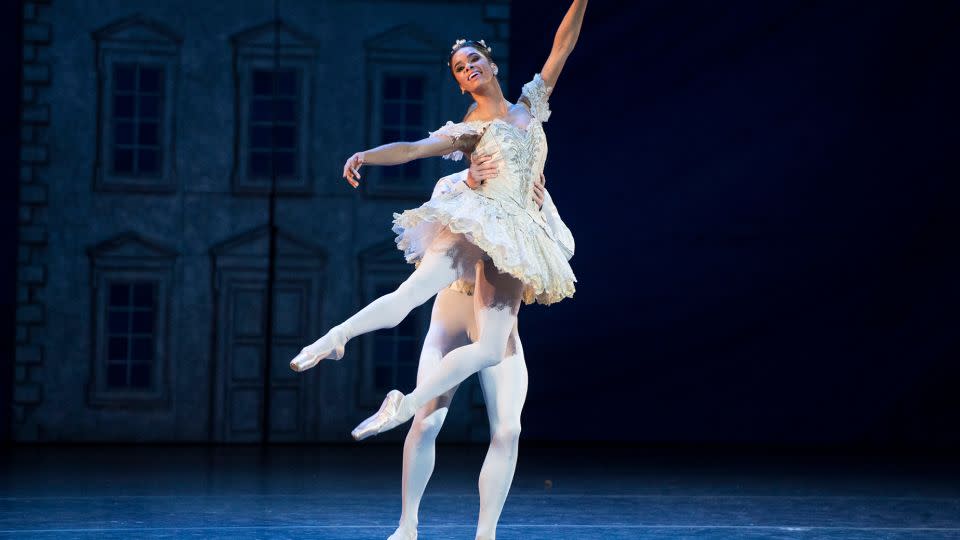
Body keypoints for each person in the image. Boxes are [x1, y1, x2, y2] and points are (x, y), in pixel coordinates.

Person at [290, 0, 589, 443]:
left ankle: (395, 394)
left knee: (489, 350)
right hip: (482, 221)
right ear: (460, 85)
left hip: (518, 230)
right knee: (412, 293)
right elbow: (413, 148)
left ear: (492, 66)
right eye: (459, 68)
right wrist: (365, 156)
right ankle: (336, 338)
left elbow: (561, 46)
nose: (468, 68)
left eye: (474, 60)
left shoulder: (531, 104)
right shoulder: (470, 127)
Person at [388, 166, 574, 540]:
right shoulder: (453, 182)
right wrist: (469, 189)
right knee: (426, 421)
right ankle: (408, 525)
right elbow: (432, 243)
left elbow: (566, 249)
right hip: (453, 314)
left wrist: (543, 213)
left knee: (508, 429)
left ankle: (485, 534)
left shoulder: (528, 191)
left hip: (499, 322)